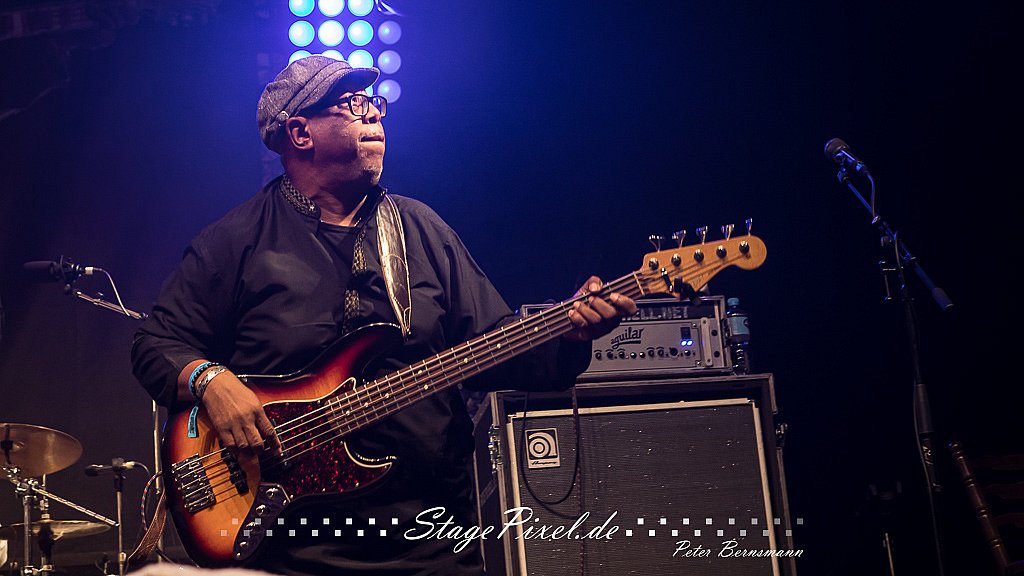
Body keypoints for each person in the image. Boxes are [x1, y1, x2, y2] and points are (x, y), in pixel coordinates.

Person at [131, 55, 636, 575]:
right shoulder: (236, 241)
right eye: (352, 104)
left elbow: (497, 347)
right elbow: (155, 344)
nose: (373, 113)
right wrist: (211, 380)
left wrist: (571, 334)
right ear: (300, 133)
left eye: (373, 103)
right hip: (295, 552)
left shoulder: (421, 229)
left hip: (431, 539)